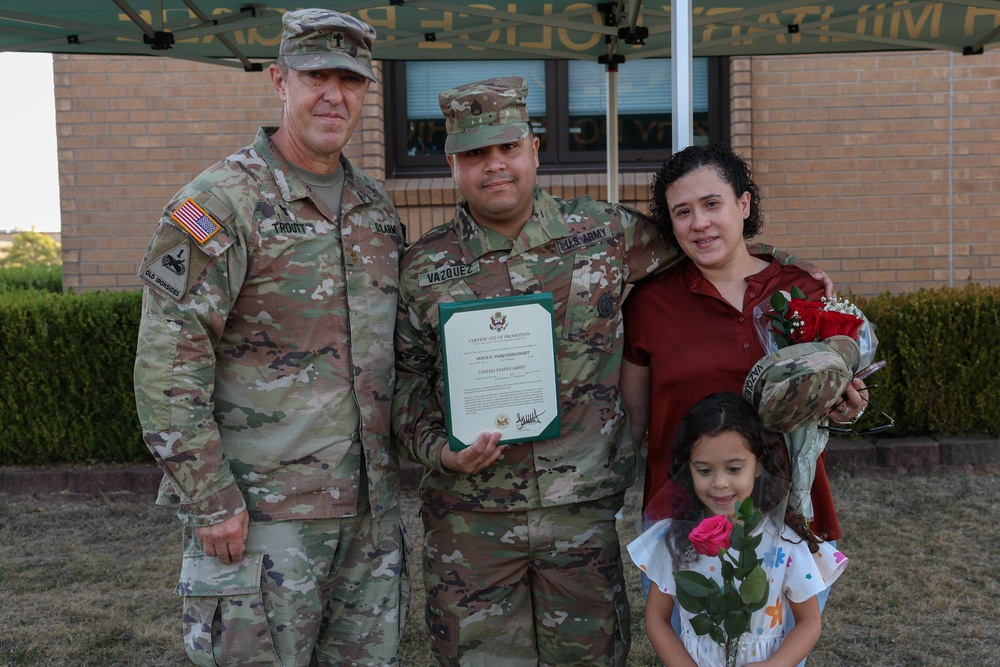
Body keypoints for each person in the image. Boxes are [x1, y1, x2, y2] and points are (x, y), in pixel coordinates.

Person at [391, 77, 829, 666]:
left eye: (507, 148)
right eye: (474, 154)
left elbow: (707, 240)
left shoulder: (604, 233)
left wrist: (790, 268)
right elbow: (406, 381)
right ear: (451, 163)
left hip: (579, 513)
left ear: (534, 148)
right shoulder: (423, 266)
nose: (494, 166)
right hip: (471, 517)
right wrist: (440, 452)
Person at [133, 9, 407, 666]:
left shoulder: (375, 208)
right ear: (279, 79)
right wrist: (211, 498)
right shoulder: (221, 202)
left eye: (351, 79)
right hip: (261, 521)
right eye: (317, 75)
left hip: (369, 520)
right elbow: (169, 364)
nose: (334, 95)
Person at [620, 143, 867, 664]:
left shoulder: (799, 291)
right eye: (682, 211)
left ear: (745, 204)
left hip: (788, 520)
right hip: (686, 519)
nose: (699, 223)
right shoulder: (650, 303)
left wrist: (849, 405)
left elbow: (834, 394)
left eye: (712, 204)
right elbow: (634, 419)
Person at [627, 392, 848, 667]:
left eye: (733, 468)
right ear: (689, 469)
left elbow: (809, 621)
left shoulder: (784, 542)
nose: (720, 483)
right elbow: (657, 619)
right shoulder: (674, 541)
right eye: (704, 471)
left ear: (757, 464)